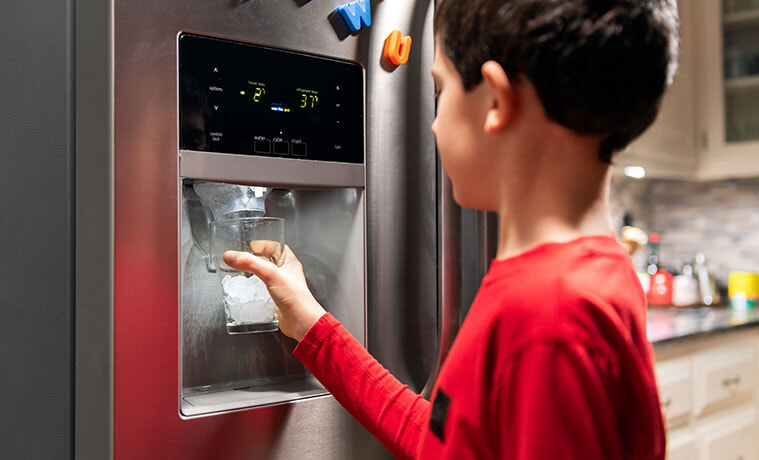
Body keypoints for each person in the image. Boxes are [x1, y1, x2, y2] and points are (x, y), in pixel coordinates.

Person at [225, 0, 677, 458]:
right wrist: (312, 325)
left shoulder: (549, 320)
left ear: (496, 102)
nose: (435, 125)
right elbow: (452, 442)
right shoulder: (582, 280)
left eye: (440, 91)